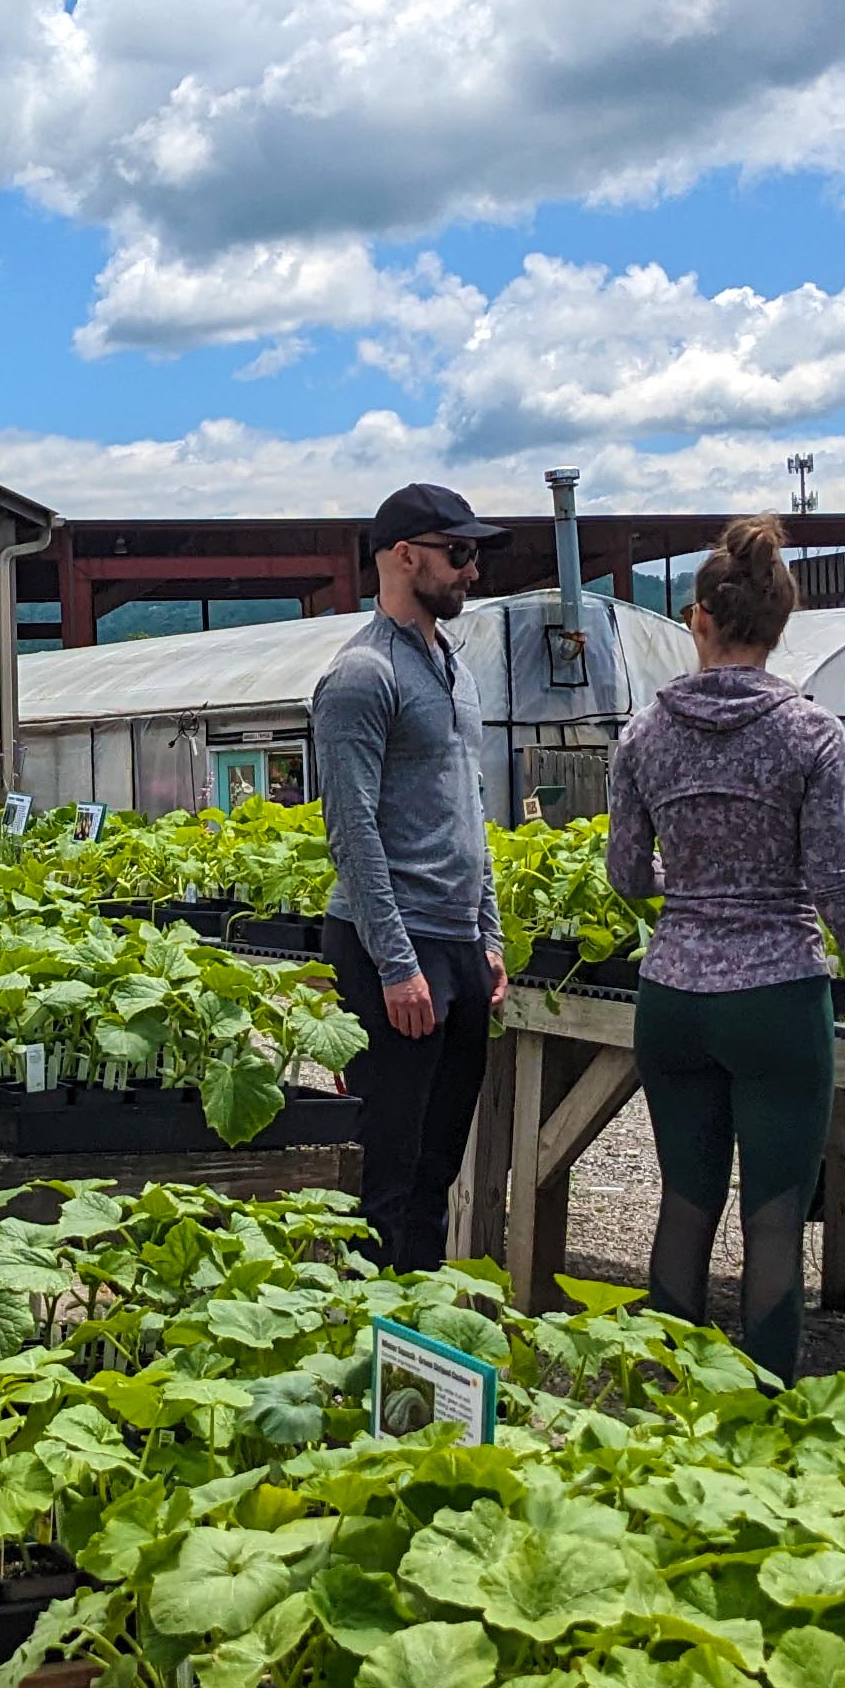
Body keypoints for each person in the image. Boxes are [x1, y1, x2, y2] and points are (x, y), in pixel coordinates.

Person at [607, 514, 845, 1384]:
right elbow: (832, 883)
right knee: (771, 1215)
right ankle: (765, 1412)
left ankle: (667, 1406)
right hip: (778, 997)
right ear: (779, 625)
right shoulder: (810, 733)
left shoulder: (643, 735)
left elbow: (624, 875)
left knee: (684, 1202)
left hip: (674, 997)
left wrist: (684, 877)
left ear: (699, 619)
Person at [312, 483, 511, 1275]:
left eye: (474, 554)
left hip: (455, 941)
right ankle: (368, 1342)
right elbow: (351, 830)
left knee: (439, 1168)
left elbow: (470, 808)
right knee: (386, 1171)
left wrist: (487, 934)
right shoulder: (362, 676)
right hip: (391, 945)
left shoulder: (454, 670)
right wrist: (396, 962)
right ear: (403, 557)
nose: (472, 571)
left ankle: (423, 1351)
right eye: (458, 553)